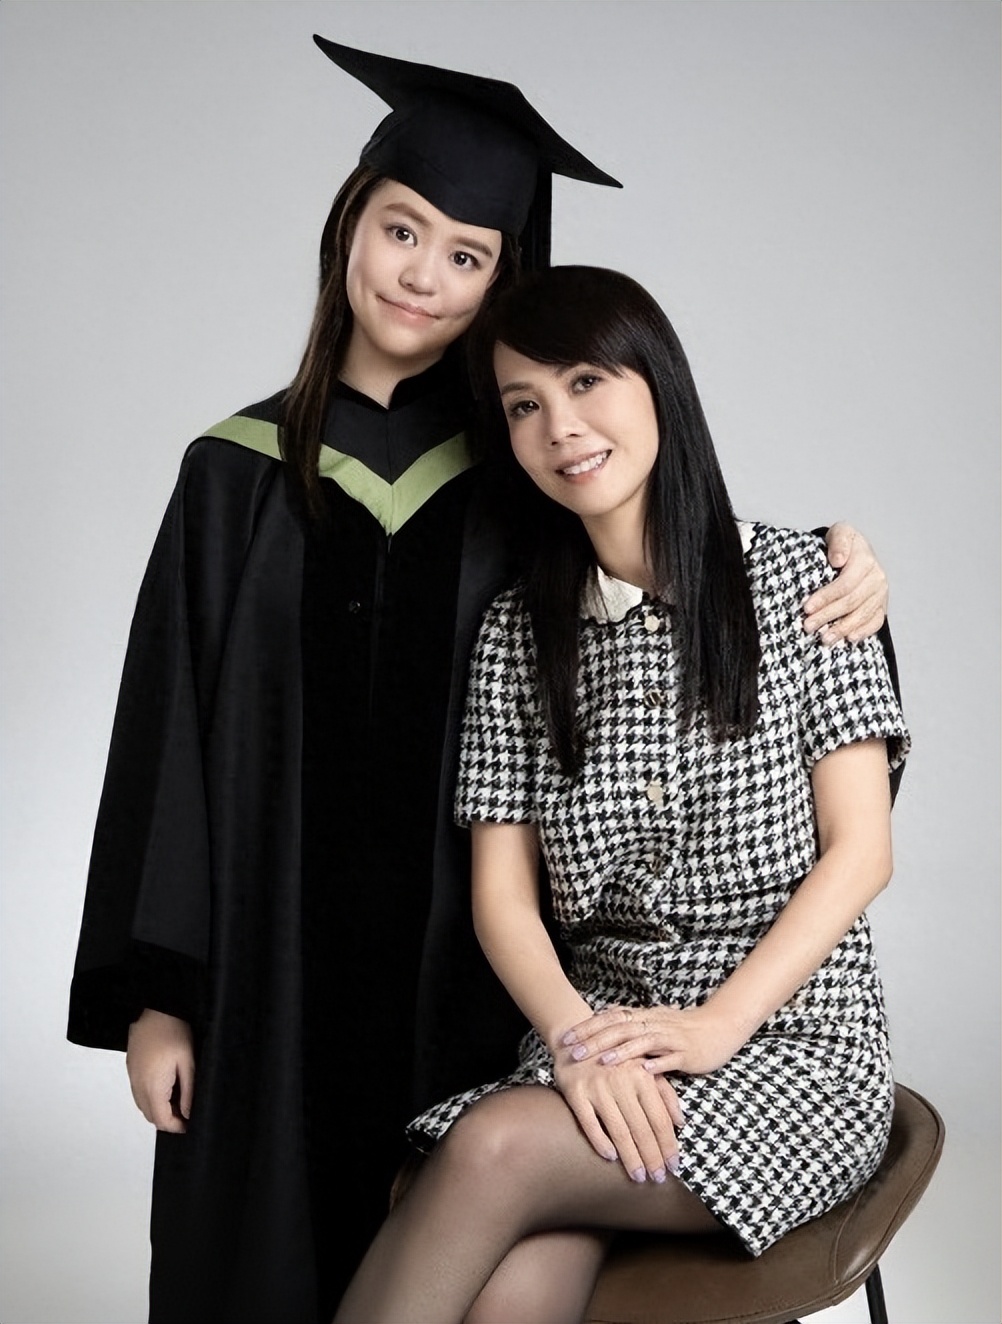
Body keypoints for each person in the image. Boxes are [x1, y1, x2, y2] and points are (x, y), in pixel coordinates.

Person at [65, 37, 894, 1324]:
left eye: (468, 256)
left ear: (506, 280)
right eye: (402, 231)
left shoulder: (522, 485)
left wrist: (852, 572)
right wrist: (160, 994)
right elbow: (166, 740)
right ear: (349, 226)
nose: (423, 276)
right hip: (277, 980)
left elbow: (698, 591)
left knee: (478, 1195)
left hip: (471, 989)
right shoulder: (231, 477)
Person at [331, 265, 909, 1324]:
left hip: (787, 1047)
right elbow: (503, 898)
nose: (560, 426)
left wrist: (716, 1027)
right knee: (514, 1281)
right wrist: (572, 1041)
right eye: (523, 405)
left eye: (586, 381)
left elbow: (860, 851)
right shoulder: (518, 635)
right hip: (596, 1041)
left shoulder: (803, 584)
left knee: (495, 1150)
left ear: (658, 383)